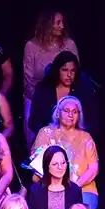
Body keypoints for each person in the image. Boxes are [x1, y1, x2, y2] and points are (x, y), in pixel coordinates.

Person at [32, 96, 100, 209]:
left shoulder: (86, 137)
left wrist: (73, 188)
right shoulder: (46, 133)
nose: (71, 115)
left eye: (75, 112)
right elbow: (36, 164)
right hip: (50, 187)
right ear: (58, 113)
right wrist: (58, 186)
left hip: (82, 188)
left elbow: (93, 168)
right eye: (67, 111)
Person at [23, 10, 79, 141]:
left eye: (62, 22)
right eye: (58, 23)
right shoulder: (31, 46)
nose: (62, 26)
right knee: (34, 127)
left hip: (66, 95)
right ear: (47, 24)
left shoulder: (69, 45)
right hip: (37, 96)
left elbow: (76, 75)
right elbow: (28, 80)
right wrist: (43, 99)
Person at [31, 50, 99, 134]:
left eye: (73, 70)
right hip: (48, 138)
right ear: (57, 70)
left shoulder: (84, 92)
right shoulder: (43, 89)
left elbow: (92, 122)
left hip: (76, 139)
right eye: (65, 70)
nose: (69, 75)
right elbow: (33, 122)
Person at [26, 145, 83, 209]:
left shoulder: (75, 190)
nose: (60, 167)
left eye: (63, 163)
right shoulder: (35, 190)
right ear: (47, 166)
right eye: (55, 164)